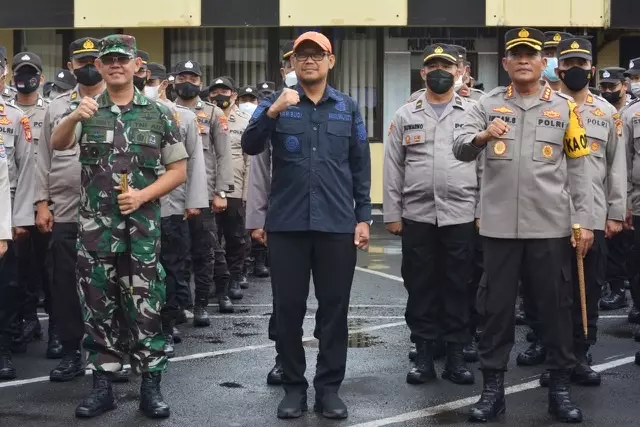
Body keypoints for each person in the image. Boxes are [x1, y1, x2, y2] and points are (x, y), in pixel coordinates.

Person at [453, 27, 594, 424]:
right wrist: (482, 135)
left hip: (550, 228)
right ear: (505, 64)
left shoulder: (565, 108)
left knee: (555, 309)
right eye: (515, 55)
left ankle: (560, 389)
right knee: (495, 312)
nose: (523, 60)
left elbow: (579, 171)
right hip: (499, 230)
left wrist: (584, 222)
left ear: (543, 62)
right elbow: (460, 149)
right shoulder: (486, 105)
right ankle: (493, 391)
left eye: (530, 54)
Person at [50, 34, 187, 419]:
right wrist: (75, 116)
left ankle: (151, 387)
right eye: (108, 60)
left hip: (142, 232)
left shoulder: (159, 113)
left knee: (146, 308)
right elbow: (58, 144)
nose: (114, 65)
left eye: (121, 60)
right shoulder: (87, 108)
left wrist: (143, 196)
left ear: (135, 66)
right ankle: (103, 387)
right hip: (96, 234)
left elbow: (178, 171)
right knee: (97, 309)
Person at [243, 31, 371, 420]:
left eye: (318, 55)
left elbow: (359, 164)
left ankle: (329, 388)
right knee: (288, 310)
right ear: (292, 63)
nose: (310, 61)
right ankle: (294, 388)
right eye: (302, 55)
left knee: (334, 310)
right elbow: (249, 146)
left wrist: (364, 216)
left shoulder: (347, 108)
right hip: (287, 225)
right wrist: (273, 111)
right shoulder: (275, 104)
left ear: (331, 61)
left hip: (336, 224)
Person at [384, 44, 478, 386]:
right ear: (423, 73)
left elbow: (484, 167)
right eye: (432, 65)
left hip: (461, 215)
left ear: (459, 72)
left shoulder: (474, 112)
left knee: (458, 286)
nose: (439, 70)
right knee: (420, 286)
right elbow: (393, 167)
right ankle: (423, 356)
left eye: (446, 65)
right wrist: (392, 214)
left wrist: (481, 211)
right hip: (418, 216)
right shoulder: (405, 114)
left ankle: (455, 357)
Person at [537, 38, 626, 388]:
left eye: (581, 62)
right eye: (568, 62)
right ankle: (555, 355)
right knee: (552, 292)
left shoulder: (607, 113)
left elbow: (615, 166)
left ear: (591, 68)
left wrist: (615, 212)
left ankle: (581, 353)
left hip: (593, 215)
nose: (575, 68)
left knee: (588, 287)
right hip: (552, 217)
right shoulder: (547, 108)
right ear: (558, 68)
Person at [36, 37, 125, 383]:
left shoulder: (119, 100)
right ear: (71, 66)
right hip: (66, 211)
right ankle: (72, 352)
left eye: (94, 59)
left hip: (108, 213)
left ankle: (111, 353)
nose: (89, 65)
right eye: (82, 60)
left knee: (110, 285)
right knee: (65, 285)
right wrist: (41, 203)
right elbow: (42, 158)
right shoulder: (56, 106)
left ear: (102, 64)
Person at [144, 62, 210, 353]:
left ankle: (167, 324)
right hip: (136, 207)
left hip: (172, 206)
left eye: (154, 81)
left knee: (171, 268)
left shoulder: (181, 116)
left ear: (163, 84)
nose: (149, 85)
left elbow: (195, 162)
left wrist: (195, 202)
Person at [173, 59, 235, 320]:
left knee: (204, 252)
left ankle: (201, 305)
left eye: (193, 78)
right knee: (176, 254)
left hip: (205, 193)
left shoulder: (213, 113)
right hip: (172, 193)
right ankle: (180, 305)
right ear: (174, 80)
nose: (188, 83)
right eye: (182, 78)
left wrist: (221, 192)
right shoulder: (165, 110)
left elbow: (223, 155)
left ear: (201, 82)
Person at [9, 52, 56, 357]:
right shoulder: (8, 112)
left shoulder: (51, 111)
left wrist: (45, 205)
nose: (26, 78)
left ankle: (56, 331)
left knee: (49, 269)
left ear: (40, 78)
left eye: (31, 73)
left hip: (47, 202)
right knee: (19, 271)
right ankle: (27, 322)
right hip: (15, 204)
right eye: (20, 73)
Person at [0, 89, 34, 380]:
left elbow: (24, 171)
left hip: (5, 213)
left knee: (7, 287)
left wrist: (18, 219)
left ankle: (3, 348)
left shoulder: (15, 117)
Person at [210, 76, 251, 300]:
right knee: (212, 239)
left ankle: (236, 276)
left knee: (236, 237)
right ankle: (219, 280)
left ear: (234, 95)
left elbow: (250, 160)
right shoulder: (204, 117)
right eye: (215, 92)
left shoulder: (244, 121)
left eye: (224, 92)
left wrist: (248, 195)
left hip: (236, 188)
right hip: (210, 189)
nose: (220, 96)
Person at [599, 66, 633, 311]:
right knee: (610, 245)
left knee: (628, 246)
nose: (608, 91)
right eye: (604, 87)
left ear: (625, 86)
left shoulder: (633, 112)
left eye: (612, 87)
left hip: (630, 187)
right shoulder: (600, 111)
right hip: (604, 185)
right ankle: (615, 288)